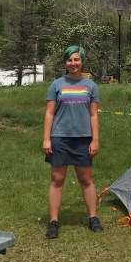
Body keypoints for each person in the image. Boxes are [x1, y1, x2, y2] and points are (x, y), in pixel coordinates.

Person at [43, 45, 103, 239]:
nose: (73, 63)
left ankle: (93, 218)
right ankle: (53, 221)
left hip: (83, 139)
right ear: (65, 63)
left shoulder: (91, 86)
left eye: (76, 59)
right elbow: (49, 113)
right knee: (57, 180)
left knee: (86, 180)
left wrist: (95, 140)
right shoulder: (56, 85)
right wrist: (46, 139)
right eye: (69, 60)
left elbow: (93, 115)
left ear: (82, 62)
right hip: (60, 138)